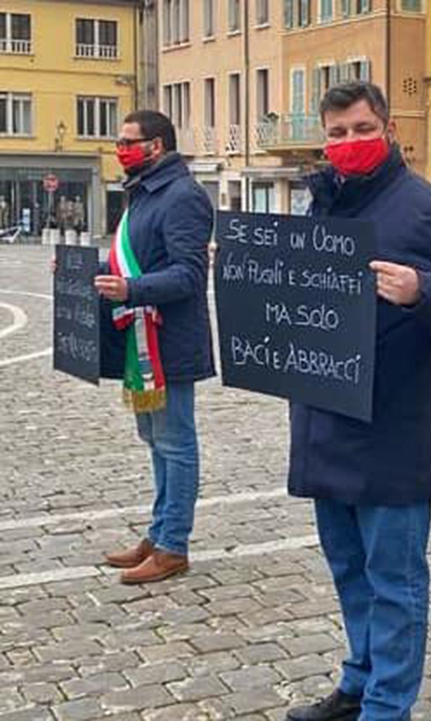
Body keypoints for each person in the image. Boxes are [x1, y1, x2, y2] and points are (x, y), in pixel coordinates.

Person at [284, 81, 431, 721]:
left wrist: (420, 287)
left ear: (388, 129)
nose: (350, 143)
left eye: (362, 129)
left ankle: (387, 707)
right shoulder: (322, 205)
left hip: (394, 429)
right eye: (338, 133)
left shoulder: (424, 208)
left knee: (394, 583)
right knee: (349, 570)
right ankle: (359, 680)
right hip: (326, 420)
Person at [98, 110, 216, 584]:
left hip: (169, 341)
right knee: (155, 441)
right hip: (141, 338)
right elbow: (136, 259)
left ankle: (173, 545)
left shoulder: (182, 196)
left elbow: (189, 274)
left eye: (130, 141)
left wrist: (132, 291)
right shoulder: (144, 191)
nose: (121, 148)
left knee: (176, 443)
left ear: (157, 146)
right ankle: (158, 531)